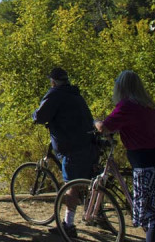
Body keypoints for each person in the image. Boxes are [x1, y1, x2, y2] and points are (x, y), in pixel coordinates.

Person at [95, 70, 155, 242]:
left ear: (121, 87)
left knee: (152, 218)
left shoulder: (126, 106)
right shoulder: (147, 104)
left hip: (146, 165)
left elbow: (104, 127)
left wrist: (95, 122)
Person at [33, 66, 97, 238]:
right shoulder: (75, 94)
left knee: (71, 185)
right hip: (87, 142)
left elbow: (40, 116)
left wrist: (35, 116)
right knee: (87, 179)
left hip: (71, 145)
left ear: (53, 82)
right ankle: (98, 214)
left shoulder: (55, 94)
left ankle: (68, 225)